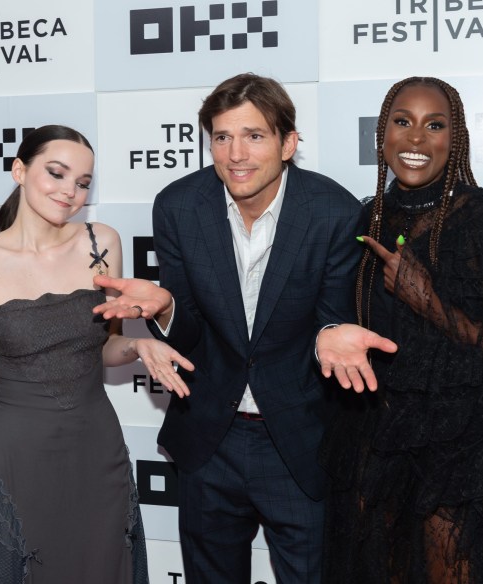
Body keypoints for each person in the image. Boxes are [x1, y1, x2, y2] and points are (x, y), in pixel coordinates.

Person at [92, 73, 397, 583]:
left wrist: (330, 332)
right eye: (222, 137)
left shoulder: (335, 213)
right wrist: (166, 309)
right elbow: (189, 333)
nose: (236, 154)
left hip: (300, 442)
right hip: (211, 438)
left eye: (254, 136)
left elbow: (332, 314)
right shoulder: (179, 207)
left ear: (288, 143)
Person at [0, 124, 194, 584]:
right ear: (19, 170)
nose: (69, 191)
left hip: (96, 448)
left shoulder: (102, 244)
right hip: (19, 454)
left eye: (82, 183)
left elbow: (102, 348)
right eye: (56, 174)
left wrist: (137, 343)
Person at [317, 77, 483, 583]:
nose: (416, 139)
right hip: (376, 438)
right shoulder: (369, 218)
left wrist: (422, 294)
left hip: (458, 452)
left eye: (435, 125)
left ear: (457, 139)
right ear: (382, 134)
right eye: (402, 122)